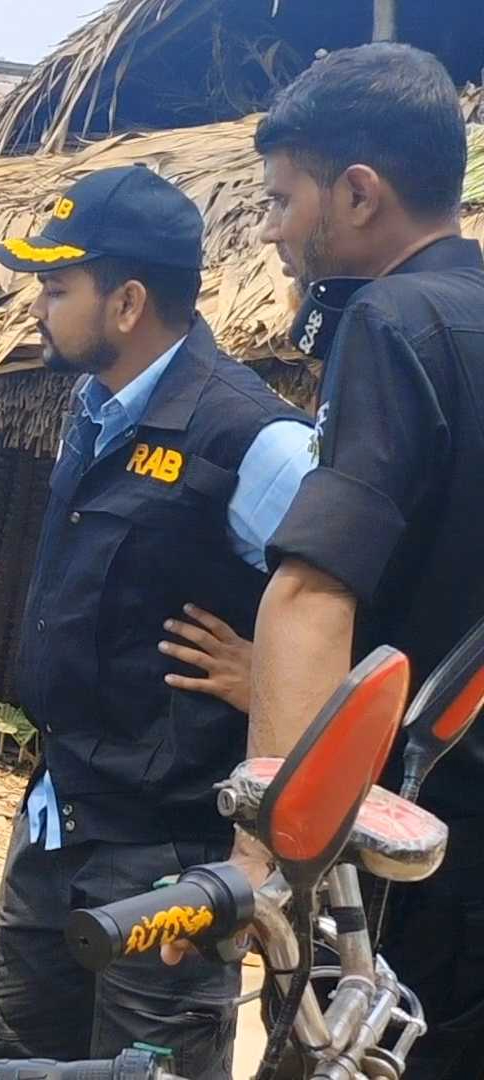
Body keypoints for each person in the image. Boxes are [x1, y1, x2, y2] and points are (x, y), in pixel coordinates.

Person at [0, 166, 315, 1080]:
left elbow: (366, 618)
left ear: (126, 301)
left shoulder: (255, 440)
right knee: (20, 1059)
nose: (37, 308)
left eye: (55, 287)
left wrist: (274, 679)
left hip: (167, 855)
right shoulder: (93, 411)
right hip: (57, 821)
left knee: (148, 1070)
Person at [225, 44, 484, 1078]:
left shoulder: (393, 321)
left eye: (285, 199)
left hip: (404, 863)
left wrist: (267, 862)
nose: (275, 229)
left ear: (360, 193)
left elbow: (311, 591)